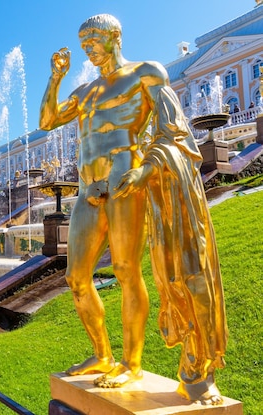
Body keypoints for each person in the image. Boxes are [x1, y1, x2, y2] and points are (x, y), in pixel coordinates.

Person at [39, 14, 227, 405]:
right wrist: (56, 77)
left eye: (93, 39)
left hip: (126, 182)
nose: (87, 47)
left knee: (126, 270)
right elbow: (48, 121)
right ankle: (102, 354)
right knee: (76, 277)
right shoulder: (88, 92)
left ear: (114, 37)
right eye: (83, 42)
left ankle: (131, 362)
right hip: (89, 188)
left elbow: (175, 130)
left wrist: (146, 169)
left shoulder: (146, 73)